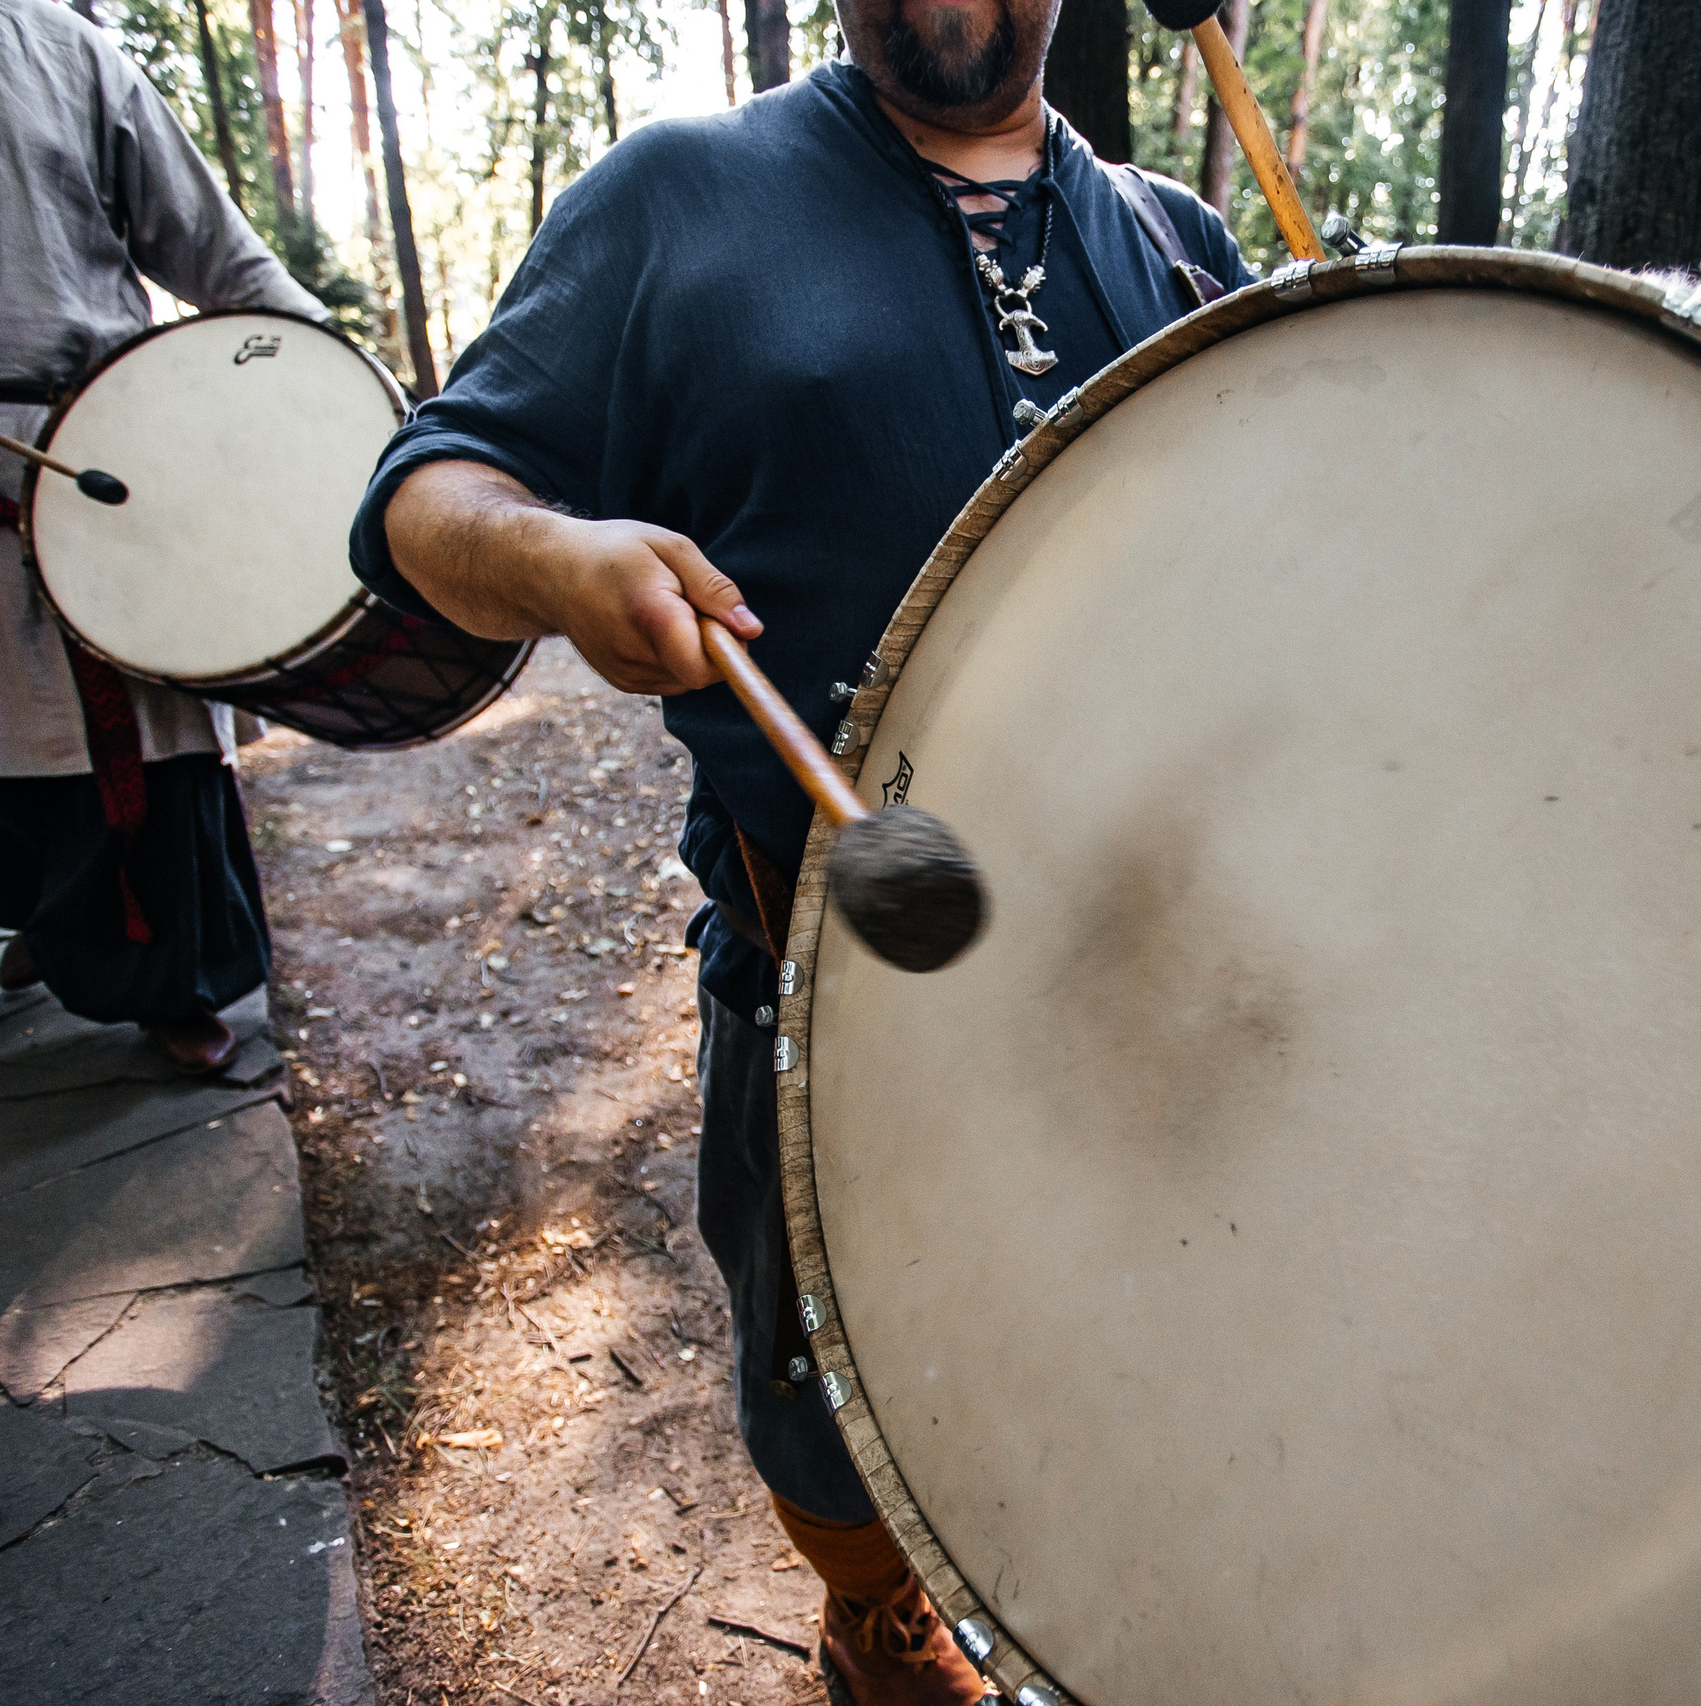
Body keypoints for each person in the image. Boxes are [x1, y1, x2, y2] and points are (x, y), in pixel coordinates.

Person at [348, 0, 1250, 1697]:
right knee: (828, 1381)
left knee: (1164, 1343)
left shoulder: (1175, 243)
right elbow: (426, 495)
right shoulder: (679, 195)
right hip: (842, 971)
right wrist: (557, 559)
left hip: (1157, 963)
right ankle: (878, 1617)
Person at [0, 0, 324, 1075]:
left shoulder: (64, 46)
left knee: (154, 746)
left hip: (105, 450)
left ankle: (174, 985)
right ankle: (56, 924)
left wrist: (343, 382)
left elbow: (220, 256)